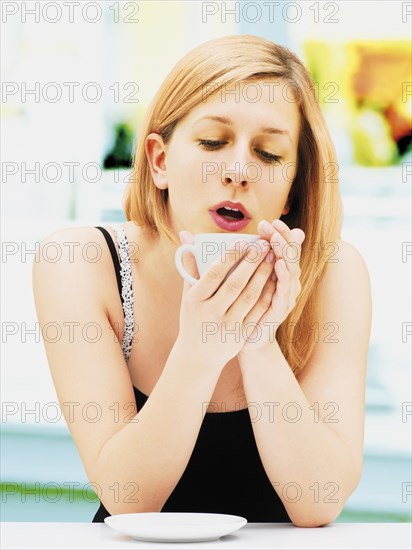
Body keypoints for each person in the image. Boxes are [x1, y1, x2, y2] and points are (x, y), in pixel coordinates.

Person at [32, 35, 372, 527]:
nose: (237, 170)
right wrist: (201, 347)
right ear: (160, 160)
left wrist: (257, 340)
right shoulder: (79, 261)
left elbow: (318, 501)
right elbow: (129, 497)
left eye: (270, 154)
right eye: (213, 142)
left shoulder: (335, 273)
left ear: (294, 187)